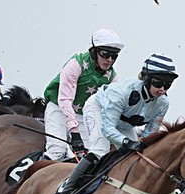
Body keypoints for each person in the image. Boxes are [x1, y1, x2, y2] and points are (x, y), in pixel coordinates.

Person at [51, 53, 177, 194]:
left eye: (168, 85)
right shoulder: (122, 92)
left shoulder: (163, 103)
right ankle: (66, 190)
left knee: (136, 156)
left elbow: (150, 133)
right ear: (146, 78)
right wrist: (126, 142)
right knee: (100, 150)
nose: (162, 89)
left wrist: (140, 145)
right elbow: (108, 128)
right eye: (158, 83)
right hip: (98, 110)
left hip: (124, 124)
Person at [42, 28, 124, 162]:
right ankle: (32, 177)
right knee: (58, 150)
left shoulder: (112, 78)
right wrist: (74, 133)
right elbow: (65, 100)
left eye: (114, 56)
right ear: (94, 51)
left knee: (87, 157)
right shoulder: (76, 64)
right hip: (59, 108)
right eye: (105, 54)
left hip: (82, 115)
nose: (110, 60)